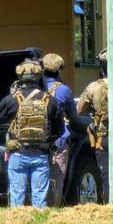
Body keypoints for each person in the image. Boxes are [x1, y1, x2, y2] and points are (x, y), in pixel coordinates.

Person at [0, 59, 64, 208]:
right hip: (40, 155)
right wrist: (48, 142)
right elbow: (60, 130)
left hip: (17, 154)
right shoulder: (49, 100)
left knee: (17, 195)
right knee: (39, 198)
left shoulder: (12, 99)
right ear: (39, 77)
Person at [76, 48, 109, 203]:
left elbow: (80, 110)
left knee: (106, 175)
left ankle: (110, 204)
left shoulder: (93, 87)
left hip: (103, 137)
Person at [41, 53, 74, 207]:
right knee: (56, 180)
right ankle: (53, 209)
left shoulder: (33, 89)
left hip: (36, 142)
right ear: (59, 70)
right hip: (58, 142)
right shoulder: (63, 90)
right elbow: (73, 116)